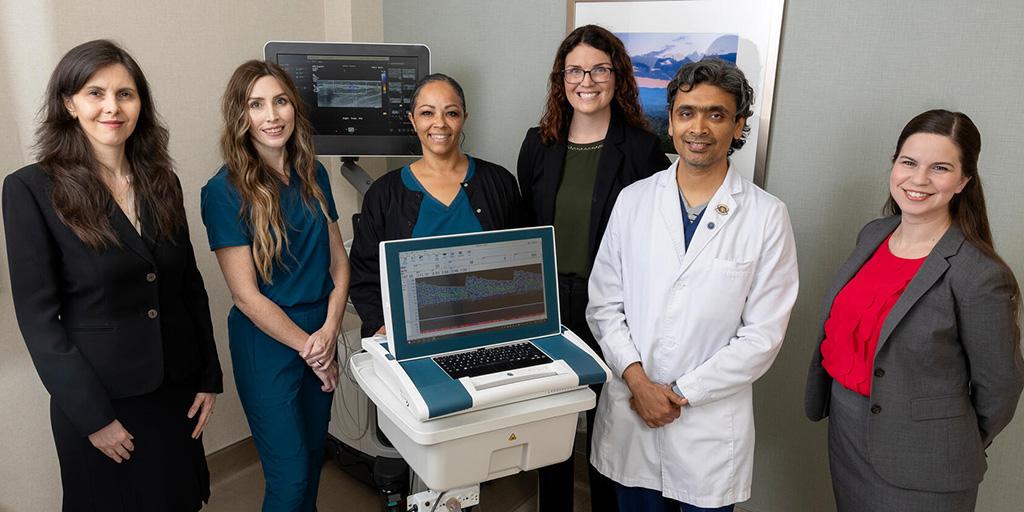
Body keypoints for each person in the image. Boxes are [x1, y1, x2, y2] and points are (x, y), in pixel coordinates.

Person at [2, 39, 223, 512]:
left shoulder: (161, 179)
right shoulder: (30, 189)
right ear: (69, 103)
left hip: (174, 389)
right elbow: (39, 322)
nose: (112, 107)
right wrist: (93, 418)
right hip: (101, 399)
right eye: (95, 93)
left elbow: (188, 285)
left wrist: (208, 375)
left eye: (126, 94)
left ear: (140, 104)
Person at [586, 58, 798, 511]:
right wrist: (639, 382)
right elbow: (604, 304)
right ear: (672, 121)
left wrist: (682, 394)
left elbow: (763, 335)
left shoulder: (765, 216)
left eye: (716, 114)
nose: (698, 127)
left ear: (739, 125)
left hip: (707, 426)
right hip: (632, 410)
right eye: (687, 113)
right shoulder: (634, 201)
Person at [805, 109, 1024, 512]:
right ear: (894, 164)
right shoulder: (873, 233)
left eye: (940, 167)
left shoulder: (979, 274)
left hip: (925, 457)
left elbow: (1000, 388)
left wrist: (942, 437)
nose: (919, 179)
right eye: (909, 162)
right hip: (847, 429)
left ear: (964, 180)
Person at [516, 24, 671, 512]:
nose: (587, 79)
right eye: (576, 70)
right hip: (548, 308)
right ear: (562, 80)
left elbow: (655, 240)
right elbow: (526, 228)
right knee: (553, 427)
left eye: (599, 69)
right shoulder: (538, 144)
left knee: (610, 432)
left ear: (617, 76)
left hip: (614, 308)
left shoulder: (644, 151)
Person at [200, 60, 349, 512]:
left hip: (320, 328)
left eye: (280, 101)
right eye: (256, 104)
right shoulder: (223, 192)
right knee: (289, 477)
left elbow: (339, 265)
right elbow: (246, 297)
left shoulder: (313, 174)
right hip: (267, 340)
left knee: (311, 463)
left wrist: (328, 332)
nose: (272, 116)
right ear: (240, 116)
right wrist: (312, 348)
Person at [349, 73, 524, 338]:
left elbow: (525, 260)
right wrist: (379, 325)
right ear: (412, 119)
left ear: (465, 117)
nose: (439, 123)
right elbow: (364, 273)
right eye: (427, 113)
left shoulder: (499, 183)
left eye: (451, 113)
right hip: (413, 339)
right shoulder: (384, 194)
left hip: (491, 331)